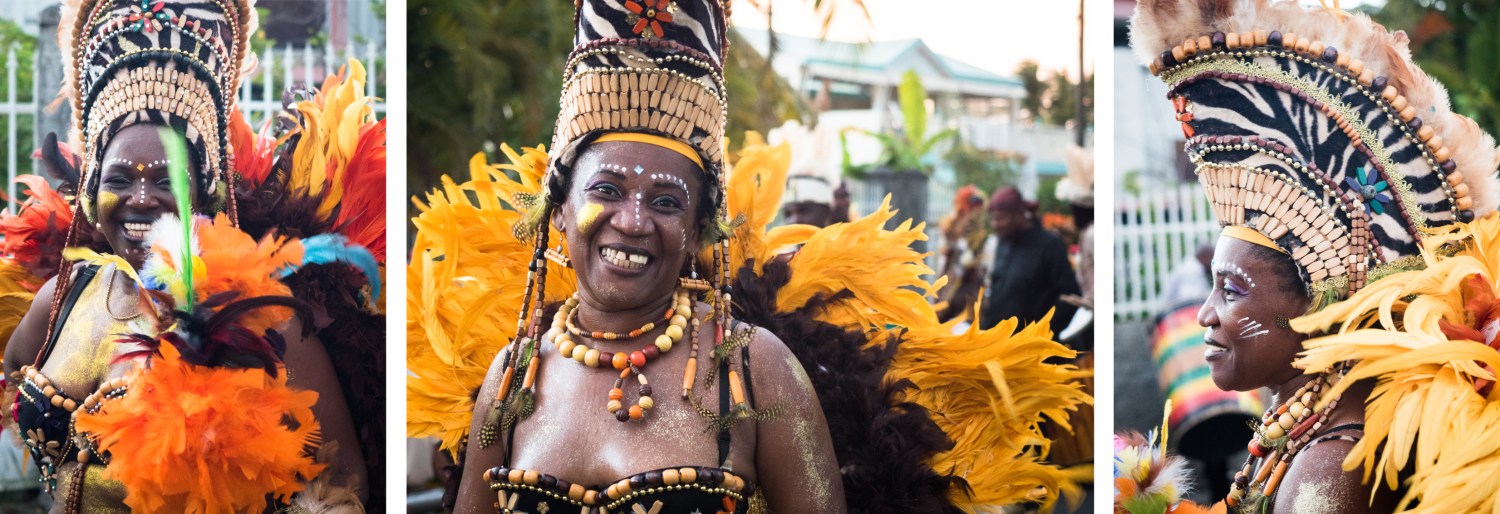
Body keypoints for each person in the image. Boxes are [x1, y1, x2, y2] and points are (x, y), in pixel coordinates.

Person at [406, 0, 1092, 511]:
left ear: (703, 228)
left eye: (668, 201)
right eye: (606, 189)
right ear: (559, 209)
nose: (634, 220)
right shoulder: (515, 374)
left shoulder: (752, 369)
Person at [0, 1, 384, 511]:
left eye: (166, 180)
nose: (140, 198)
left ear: (203, 192)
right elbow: (14, 373)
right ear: (91, 190)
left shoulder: (262, 318)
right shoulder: (61, 298)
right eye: (119, 179)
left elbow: (342, 479)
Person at [1123, 0, 1500, 511]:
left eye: (1232, 289)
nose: (1205, 313)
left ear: (1319, 304)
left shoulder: (1328, 467)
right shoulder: (1314, 432)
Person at [979, 187, 1080, 335]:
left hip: (1033, 349)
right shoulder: (1003, 243)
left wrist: (1042, 333)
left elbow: (1068, 296)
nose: (995, 224)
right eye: (992, 219)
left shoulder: (1050, 245)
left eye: (1000, 218)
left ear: (1019, 215)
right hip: (997, 344)